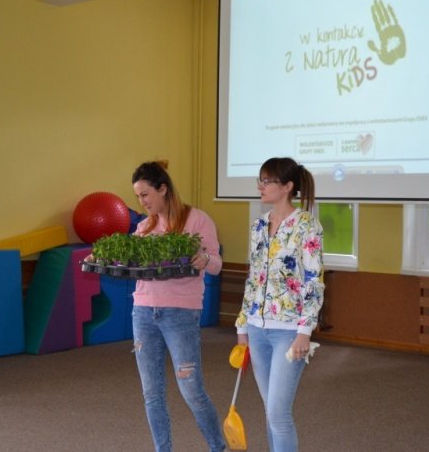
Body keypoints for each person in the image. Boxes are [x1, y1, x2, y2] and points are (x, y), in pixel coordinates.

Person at [130, 161, 226, 452]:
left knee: (192, 391)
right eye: (137, 196)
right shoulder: (144, 227)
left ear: (163, 189)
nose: (141, 201)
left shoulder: (198, 220)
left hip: (180, 314)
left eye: (145, 194)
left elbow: (216, 265)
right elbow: (130, 263)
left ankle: (218, 447)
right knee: (151, 394)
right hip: (143, 312)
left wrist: (204, 259)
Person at [235, 157, 325, 452]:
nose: (260, 187)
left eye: (267, 181)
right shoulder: (258, 226)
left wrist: (304, 331)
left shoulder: (306, 226)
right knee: (270, 412)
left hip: (288, 332)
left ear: (287, 186)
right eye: (259, 180)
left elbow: (313, 281)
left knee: (278, 413)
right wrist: (242, 326)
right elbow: (253, 278)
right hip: (256, 329)